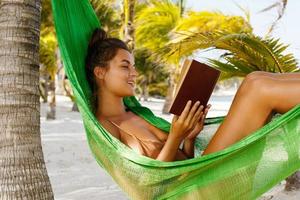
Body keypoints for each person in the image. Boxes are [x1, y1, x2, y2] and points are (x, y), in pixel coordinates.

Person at [85, 28, 300, 162]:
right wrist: (176, 137)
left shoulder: (136, 115)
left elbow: (181, 160)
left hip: (198, 172)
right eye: (125, 66)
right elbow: (147, 185)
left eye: (133, 66)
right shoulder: (105, 127)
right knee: (259, 90)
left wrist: (189, 138)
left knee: (256, 79)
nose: (134, 73)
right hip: (192, 190)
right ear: (100, 72)